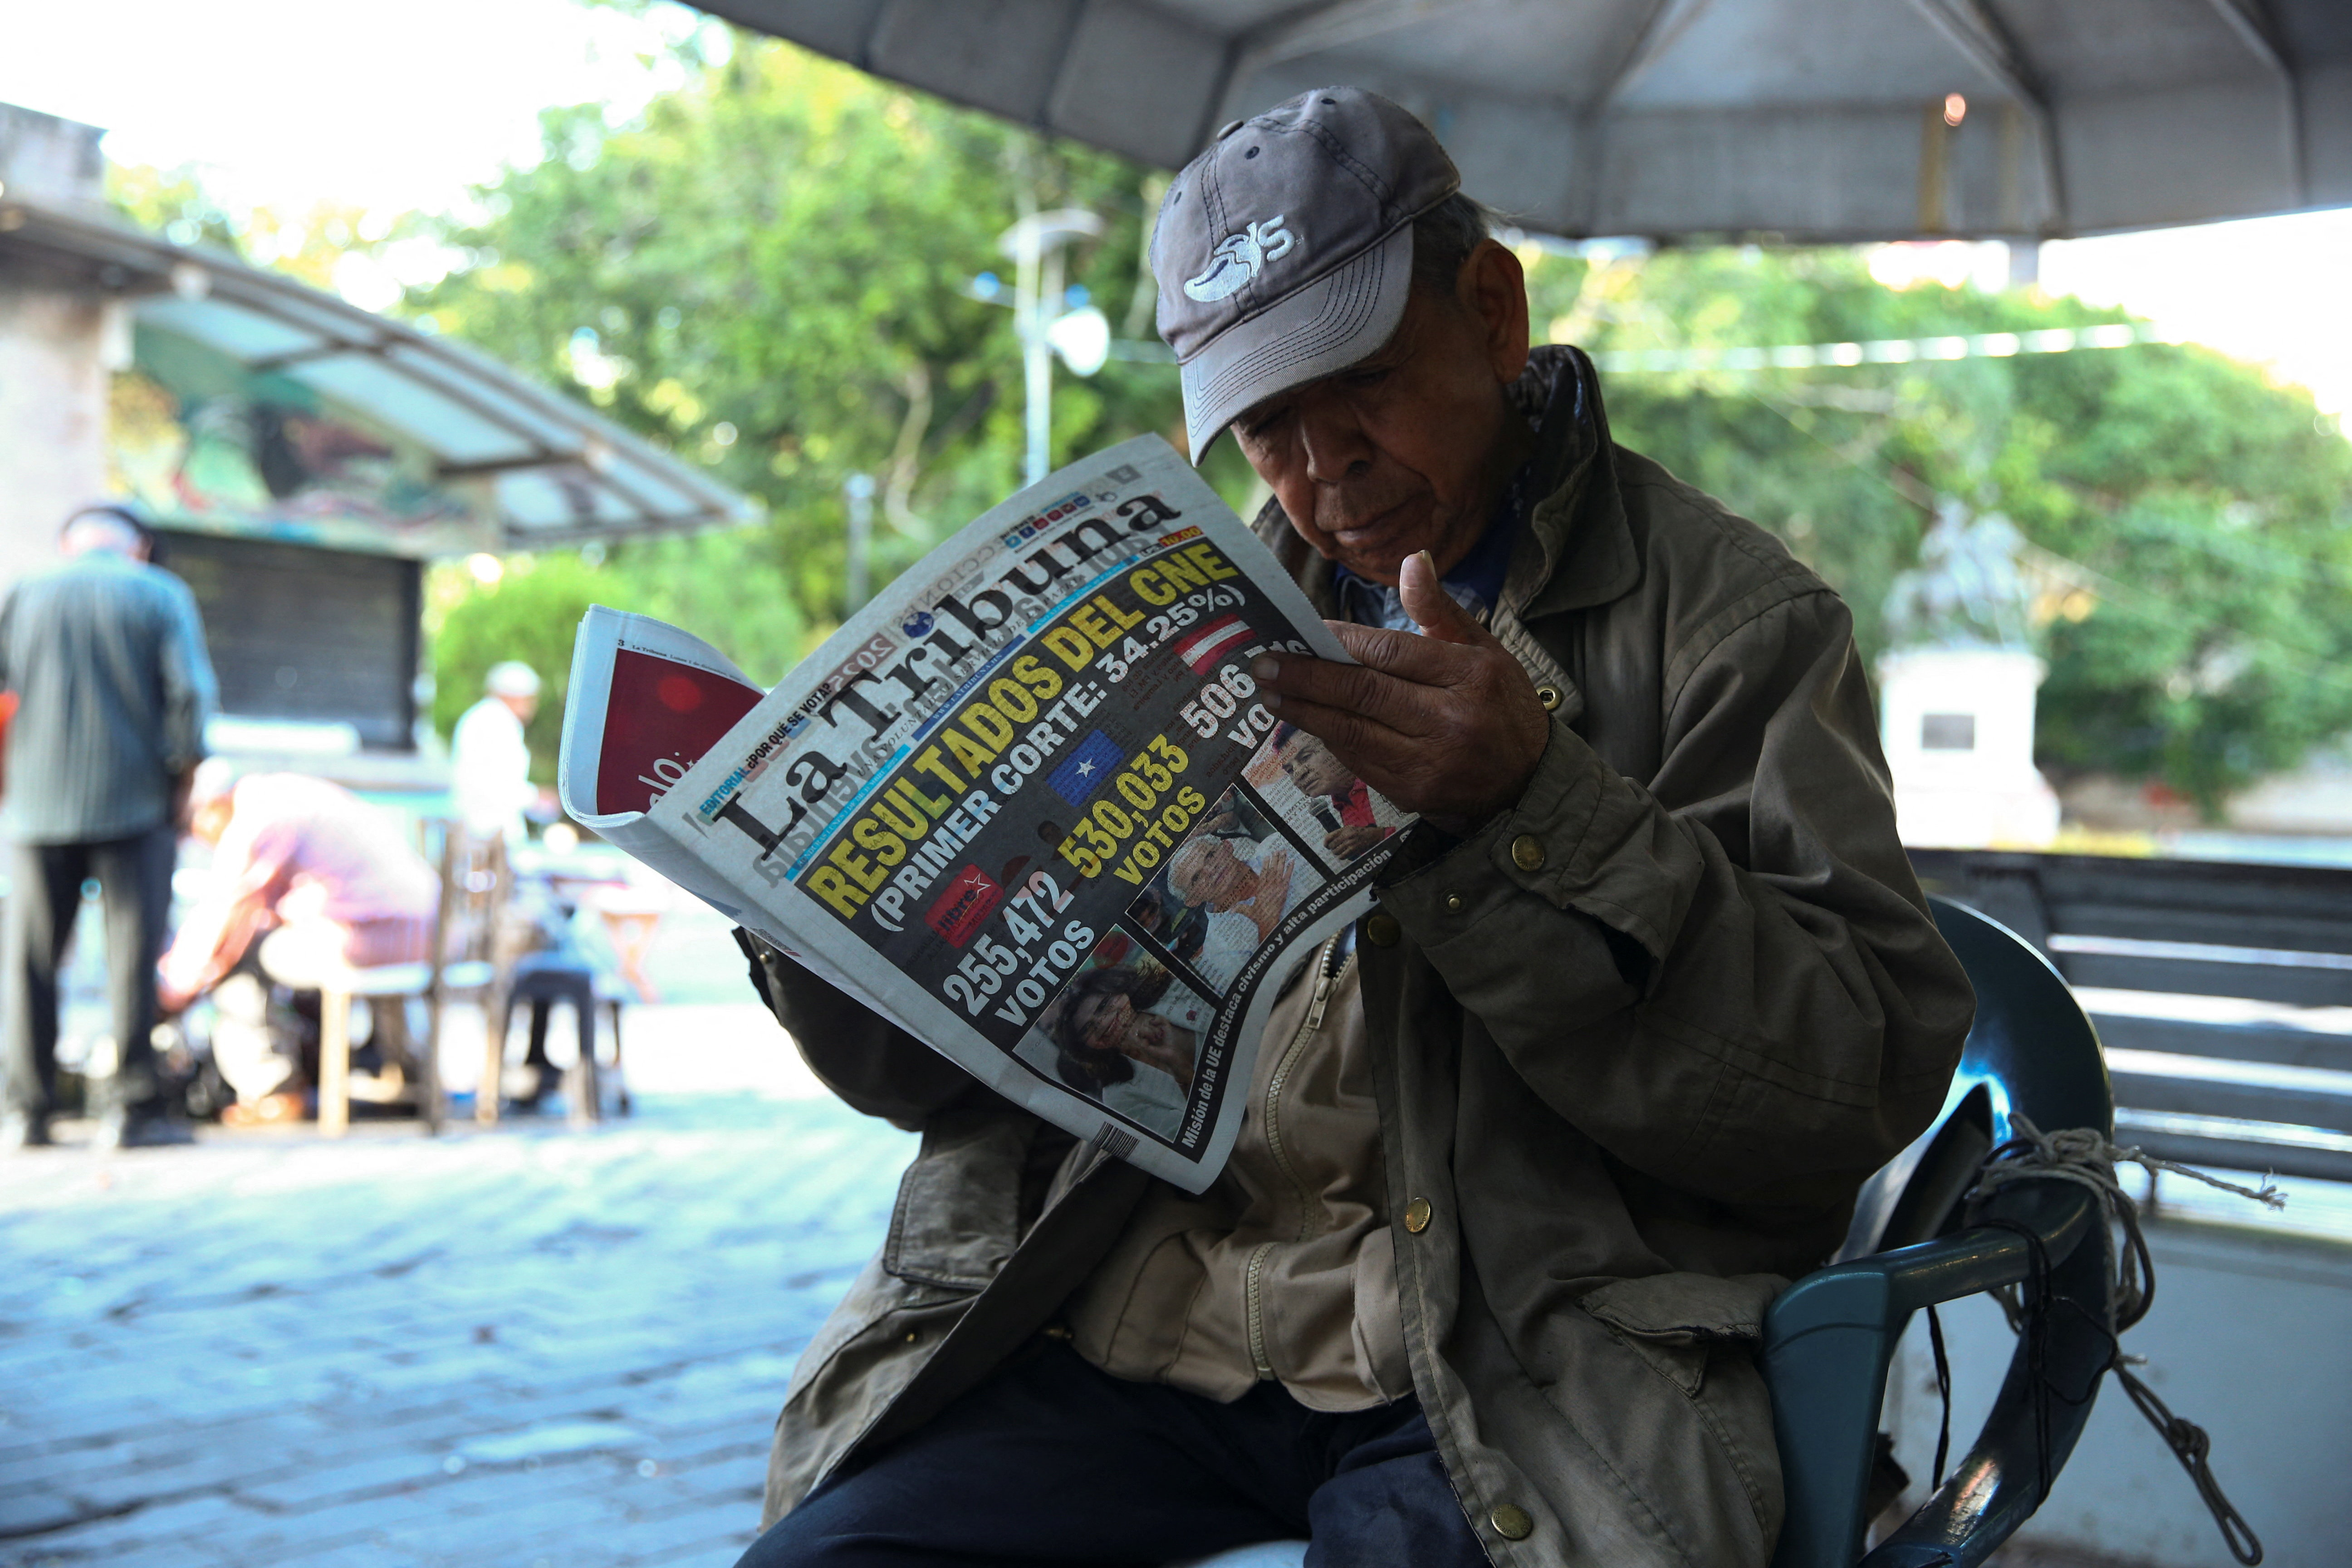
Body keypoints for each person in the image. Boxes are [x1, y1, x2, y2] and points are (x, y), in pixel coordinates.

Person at [734, 88, 1974, 1568]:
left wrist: (1537, 810)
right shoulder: (1174, 619)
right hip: (1130, 1329)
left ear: (1492, 313)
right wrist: (821, 910)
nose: (1325, 466)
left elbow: (1843, 1093)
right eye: (1266, 423)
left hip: (1497, 1360)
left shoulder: (1728, 627)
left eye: (1366, 383)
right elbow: (936, 1088)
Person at [0, 503, 216, 1152]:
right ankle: (131, 1112)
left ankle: (25, 1112)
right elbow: (190, 697)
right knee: (131, 958)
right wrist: (183, 783)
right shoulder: (160, 593)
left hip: (37, 809)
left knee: (30, 961)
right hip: (136, 806)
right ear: (139, 547)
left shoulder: (24, 592)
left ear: (71, 545)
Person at [158, 764, 439, 1124]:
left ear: (211, 807)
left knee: (245, 952)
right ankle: (400, 1067)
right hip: (421, 930)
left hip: (370, 937)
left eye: (192, 827)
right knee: (273, 939)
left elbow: (225, 912)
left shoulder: (260, 819)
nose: (201, 840)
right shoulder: (292, 793)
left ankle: (270, 1089)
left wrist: (172, 990)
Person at [1165, 825, 1300, 993]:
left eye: (1210, 856)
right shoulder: (1216, 951)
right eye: (1197, 878)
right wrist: (1267, 924)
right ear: (1192, 901)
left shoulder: (1276, 846)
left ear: (1227, 846)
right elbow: (1262, 996)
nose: (1210, 870)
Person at [450, 661, 543, 844]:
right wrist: (536, 798)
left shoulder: (485, 717)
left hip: (482, 828)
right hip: (488, 831)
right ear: (516, 697)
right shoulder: (497, 722)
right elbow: (497, 783)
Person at [1272, 723, 1392, 861]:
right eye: (1290, 770)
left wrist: (1380, 836)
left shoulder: (1384, 771)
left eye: (1305, 757)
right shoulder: (1329, 817)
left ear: (1335, 746)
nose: (1299, 774)